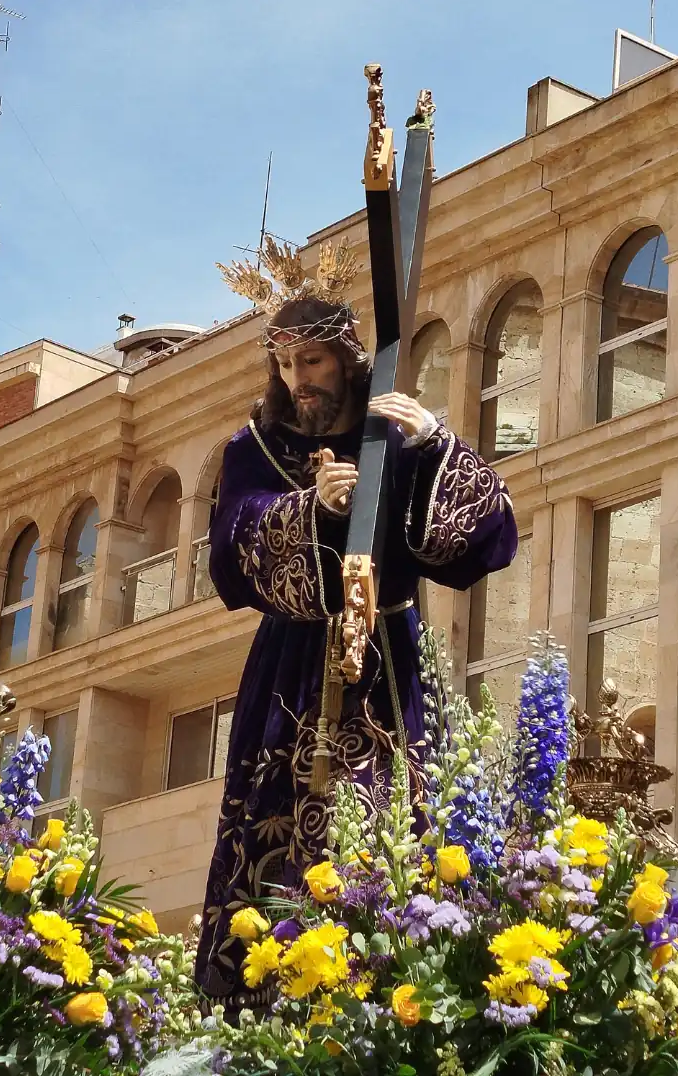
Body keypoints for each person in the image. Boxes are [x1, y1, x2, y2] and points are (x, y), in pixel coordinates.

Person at [195, 262, 518, 1002]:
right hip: (291, 668)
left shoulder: (395, 435)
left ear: (345, 358)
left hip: (389, 660)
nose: (298, 379)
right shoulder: (256, 447)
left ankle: (394, 990)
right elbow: (229, 557)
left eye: (311, 361)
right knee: (275, 827)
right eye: (285, 364)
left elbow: (481, 544)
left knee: (393, 823)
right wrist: (309, 511)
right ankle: (262, 993)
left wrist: (437, 445)